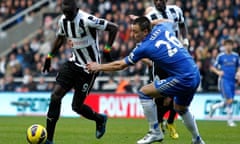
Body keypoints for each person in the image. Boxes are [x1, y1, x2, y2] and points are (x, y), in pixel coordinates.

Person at [87, 17, 205, 144]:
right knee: (180, 108)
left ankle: (155, 132)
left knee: (144, 92)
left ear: (145, 32)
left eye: (136, 32)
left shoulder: (145, 47)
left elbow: (120, 65)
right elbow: (168, 21)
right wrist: (150, 22)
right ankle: (197, 139)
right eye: (132, 31)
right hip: (194, 73)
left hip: (183, 78)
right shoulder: (162, 28)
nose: (133, 35)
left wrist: (98, 66)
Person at [42, 0, 118, 143]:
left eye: (69, 13)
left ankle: (100, 119)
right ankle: (49, 140)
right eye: (64, 12)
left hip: (90, 68)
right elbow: (59, 38)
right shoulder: (63, 21)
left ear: (76, 9)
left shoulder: (87, 20)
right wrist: (49, 56)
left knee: (76, 107)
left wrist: (107, 50)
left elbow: (113, 28)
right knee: (55, 96)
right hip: (73, 63)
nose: (67, 15)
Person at [130, 0, 189, 139]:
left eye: (160, 0)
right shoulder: (151, 16)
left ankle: (170, 122)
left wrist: (185, 40)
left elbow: (181, 25)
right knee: (159, 96)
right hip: (158, 62)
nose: (158, 2)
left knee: (176, 92)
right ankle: (160, 123)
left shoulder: (176, 11)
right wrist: (150, 60)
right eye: (155, 0)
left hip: (175, 58)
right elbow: (140, 44)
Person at [209, 39, 240, 127]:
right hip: (224, 80)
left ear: (232, 46)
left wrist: (238, 73)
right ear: (225, 46)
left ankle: (214, 107)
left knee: (230, 100)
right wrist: (218, 72)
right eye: (227, 45)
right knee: (229, 100)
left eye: (230, 45)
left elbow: (238, 66)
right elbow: (213, 67)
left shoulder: (236, 56)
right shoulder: (221, 56)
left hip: (232, 81)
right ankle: (230, 121)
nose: (228, 46)